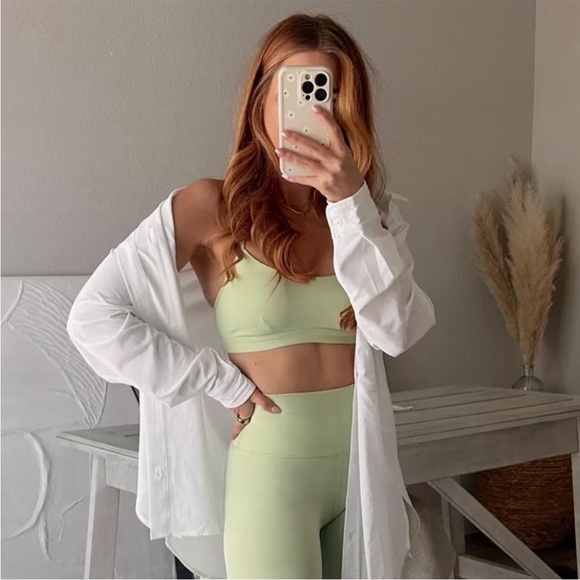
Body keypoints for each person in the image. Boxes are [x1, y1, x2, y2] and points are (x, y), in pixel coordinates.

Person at [67, 12, 451, 580]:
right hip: (272, 473)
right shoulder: (211, 207)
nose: (317, 112)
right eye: (300, 91)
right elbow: (92, 319)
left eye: (331, 95)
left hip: (361, 468)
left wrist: (350, 204)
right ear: (261, 101)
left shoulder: (370, 218)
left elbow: (395, 331)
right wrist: (221, 382)